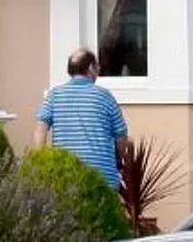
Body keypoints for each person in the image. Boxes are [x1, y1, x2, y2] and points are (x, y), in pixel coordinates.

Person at [36, 48, 131, 188]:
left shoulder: (54, 95)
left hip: (66, 174)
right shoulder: (104, 96)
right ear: (91, 68)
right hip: (102, 177)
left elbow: (41, 129)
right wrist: (121, 159)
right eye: (97, 67)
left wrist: (40, 160)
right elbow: (121, 137)